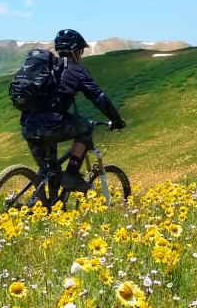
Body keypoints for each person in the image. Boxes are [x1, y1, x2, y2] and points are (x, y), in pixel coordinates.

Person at [20, 29, 126, 191]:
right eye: (81, 52)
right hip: (52, 126)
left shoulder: (47, 69)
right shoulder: (77, 71)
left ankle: (44, 206)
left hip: (28, 126)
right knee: (86, 128)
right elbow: (98, 97)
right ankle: (71, 173)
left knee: (49, 171)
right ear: (76, 52)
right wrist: (116, 120)